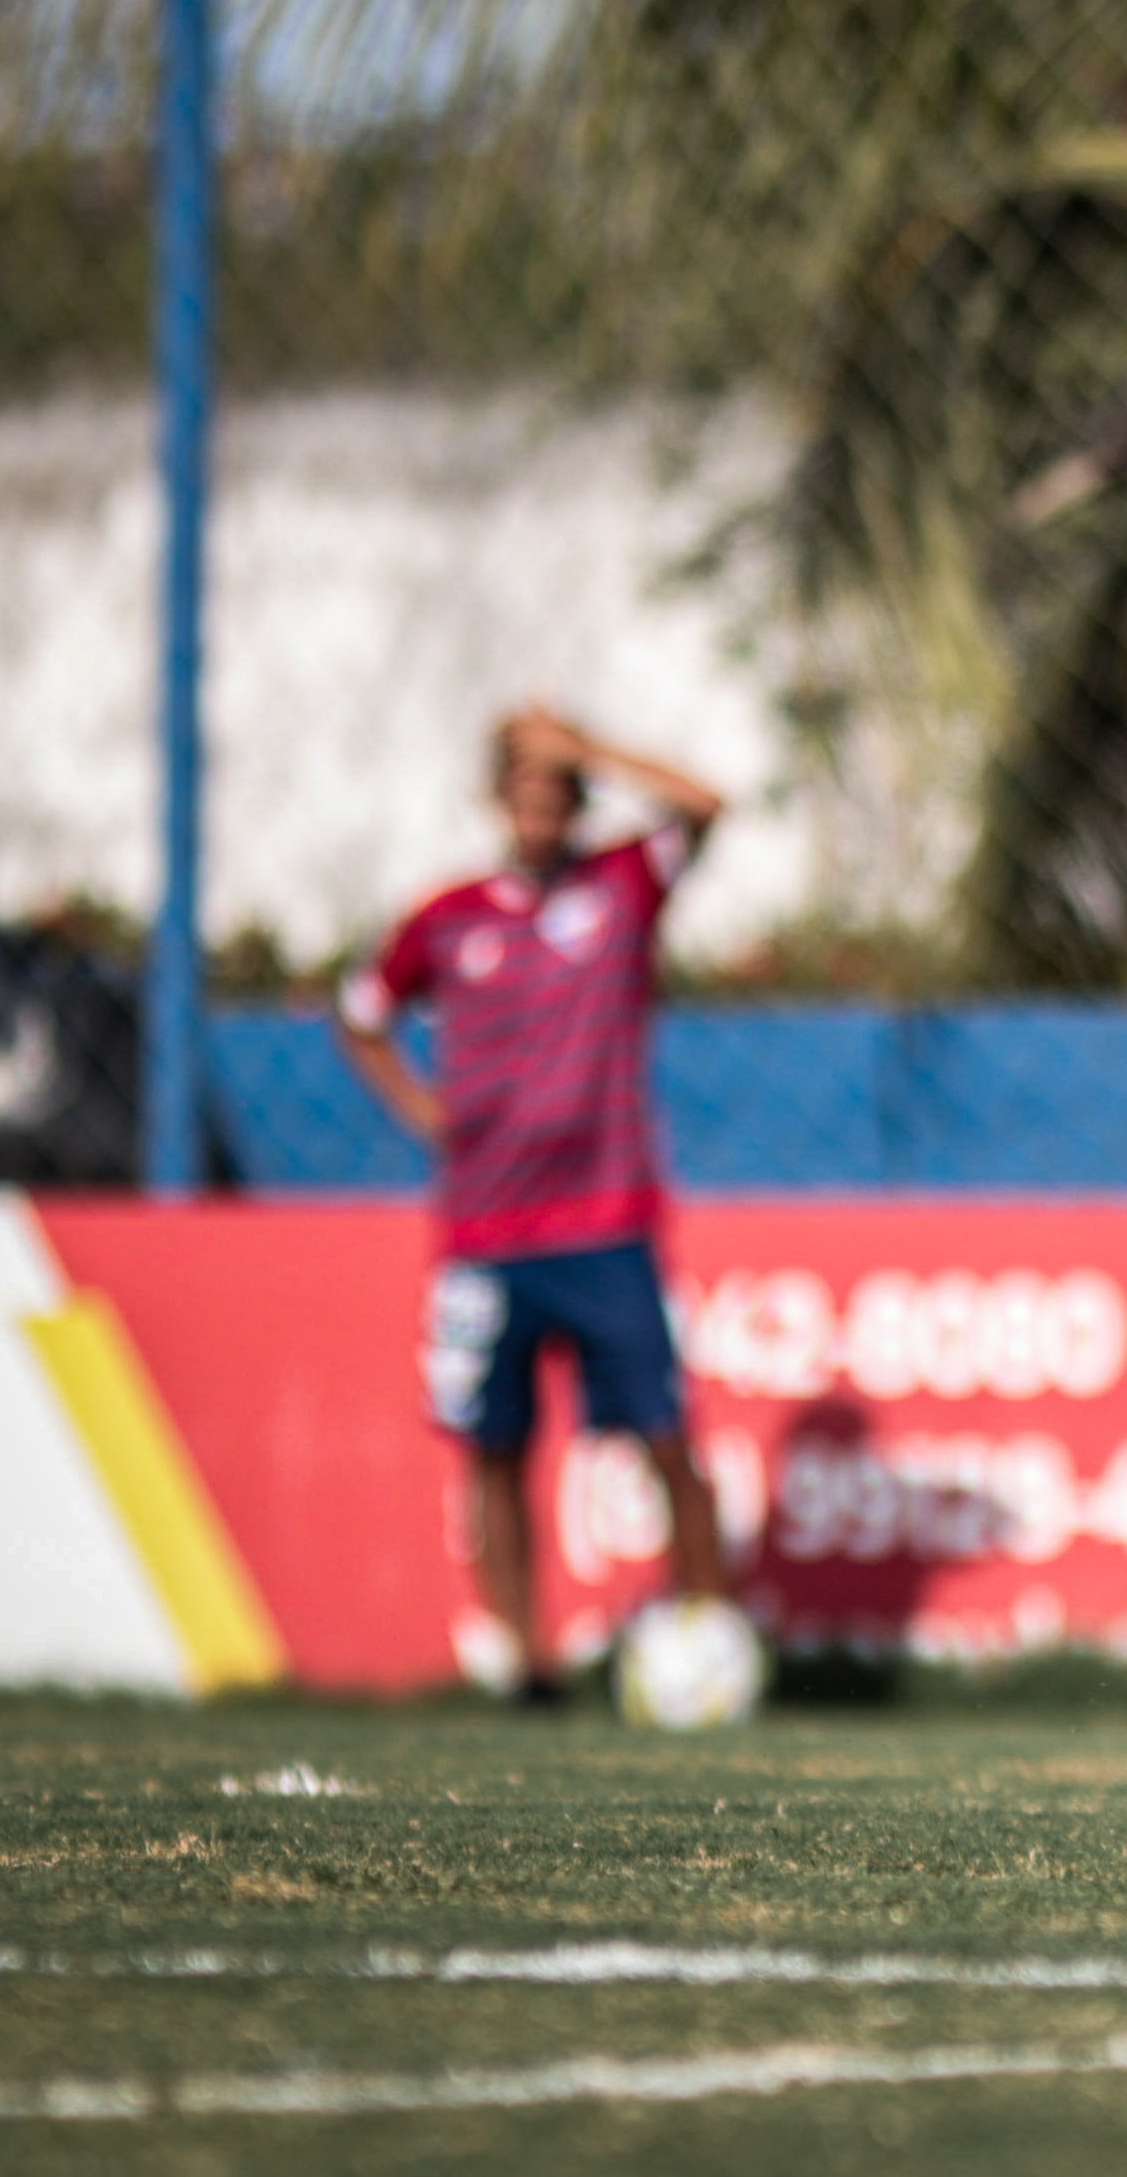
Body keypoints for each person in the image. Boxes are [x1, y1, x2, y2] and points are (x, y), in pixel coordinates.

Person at [337, 705, 737, 1705]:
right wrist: (422, 1111)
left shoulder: (621, 887)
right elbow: (359, 1016)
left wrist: (591, 744)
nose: (540, 810)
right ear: (499, 801)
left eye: (558, 792)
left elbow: (707, 804)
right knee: (496, 1450)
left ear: (575, 801)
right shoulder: (449, 918)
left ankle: (714, 1643)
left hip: (606, 1220)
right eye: (525, 790)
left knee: (663, 1435)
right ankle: (525, 1664)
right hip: (486, 1230)